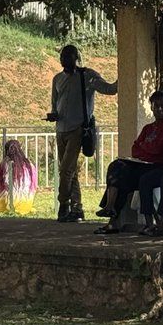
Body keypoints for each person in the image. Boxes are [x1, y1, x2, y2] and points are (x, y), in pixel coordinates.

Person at [46, 44, 117, 223]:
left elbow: (109, 89)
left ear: (76, 58)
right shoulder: (57, 79)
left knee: (65, 170)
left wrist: (123, 76)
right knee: (70, 172)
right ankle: (77, 208)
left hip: (78, 129)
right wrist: (53, 114)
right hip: (60, 129)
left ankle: (63, 205)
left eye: (68, 56)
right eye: (62, 56)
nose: (64, 60)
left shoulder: (87, 76)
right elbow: (55, 103)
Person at [95, 90, 163, 235]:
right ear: (151, 107)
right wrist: (149, 149)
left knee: (144, 180)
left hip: (160, 166)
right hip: (143, 164)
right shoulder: (148, 128)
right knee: (117, 168)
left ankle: (148, 223)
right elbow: (135, 149)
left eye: (162, 106)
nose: (159, 109)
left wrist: (146, 148)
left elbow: (158, 150)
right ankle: (111, 213)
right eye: (155, 106)